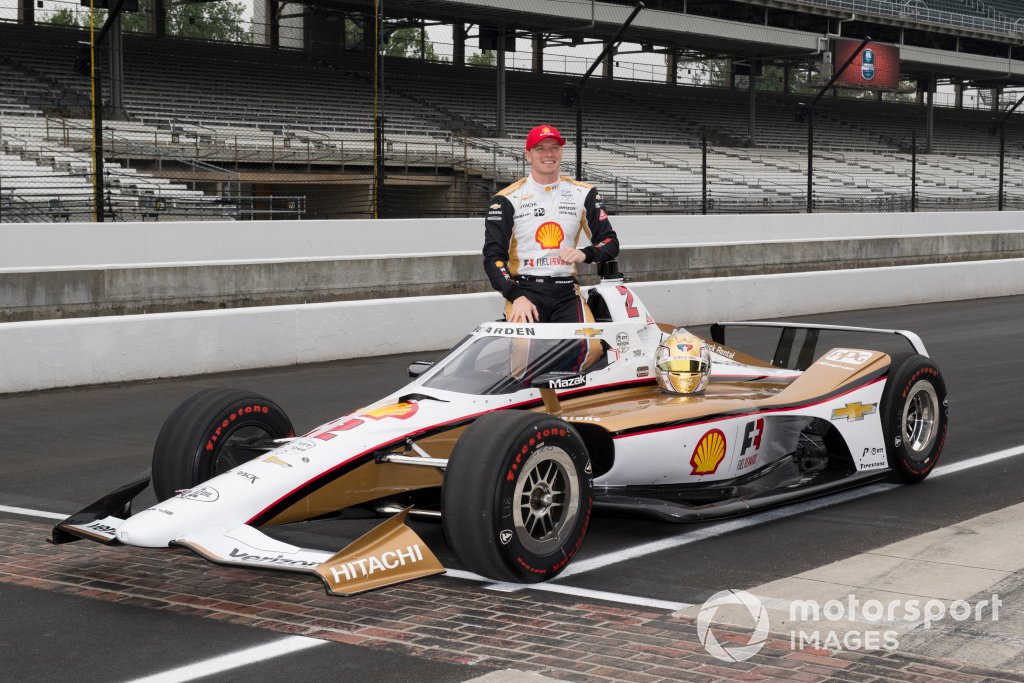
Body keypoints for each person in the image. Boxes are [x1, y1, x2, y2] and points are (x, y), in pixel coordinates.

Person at [483, 124, 619, 324]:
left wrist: (586, 253)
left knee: (592, 347)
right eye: (540, 148)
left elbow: (610, 242)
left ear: (561, 152)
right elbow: (493, 257)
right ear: (528, 155)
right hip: (524, 290)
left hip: (567, 291)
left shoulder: (584, 193)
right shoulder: (505, 199)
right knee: (525, 349)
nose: (548, 153)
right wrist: (515, 295)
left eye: (554, 147)